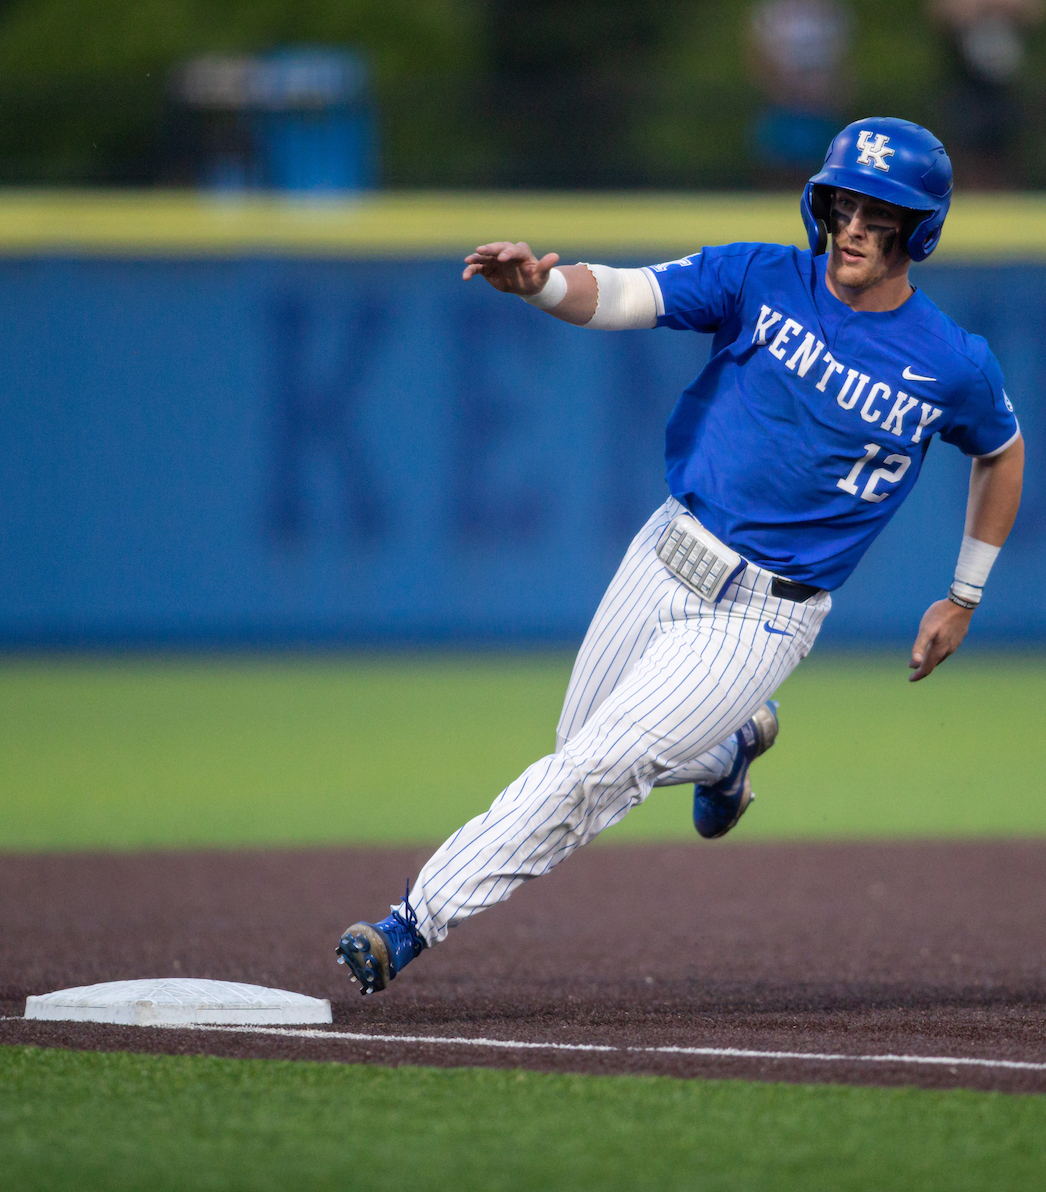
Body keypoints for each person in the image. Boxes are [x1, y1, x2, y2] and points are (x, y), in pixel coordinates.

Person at [335, 117, 1024, 995]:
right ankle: (728, 750)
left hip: (763, 613)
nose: (854, 228)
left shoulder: (952, 363)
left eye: (879, 215)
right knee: (579, 752)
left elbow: (1002, 452)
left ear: (918, 231)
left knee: (591, 773)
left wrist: (963, 595)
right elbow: (630, 294)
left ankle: (410, 922)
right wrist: (543, 287)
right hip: (663, 554)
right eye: (844, 206)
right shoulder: (760, 276)